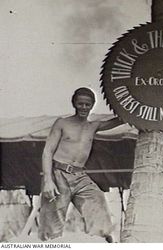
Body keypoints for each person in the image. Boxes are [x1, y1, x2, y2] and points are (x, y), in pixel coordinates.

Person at [39, 87, 123, 242]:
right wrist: (48, 181)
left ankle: (101, 242)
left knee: (98, 202)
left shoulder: (93, 126)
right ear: (74, 104)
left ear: (92, 105)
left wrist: (135, 109)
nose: (84, 107)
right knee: (51, 229)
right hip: (58, 175)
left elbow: (120, 119)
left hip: (80, 176)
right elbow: (47, 152)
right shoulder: (62, 123)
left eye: (87, 104)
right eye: (80, 104)